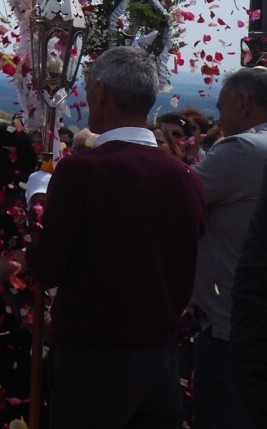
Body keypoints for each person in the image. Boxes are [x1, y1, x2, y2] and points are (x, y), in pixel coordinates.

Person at [27, 47, 205, 428]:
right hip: (160, 359)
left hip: (93, 360)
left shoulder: (82, 173)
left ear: (101, 92)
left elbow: (48, 269)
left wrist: (36, 204)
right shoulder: (187, 178)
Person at [191, 69, 267, 427]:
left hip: (231, 331)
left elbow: (175, 200)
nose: (218, 120)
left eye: (221, 108)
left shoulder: (244, 149)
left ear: (243, 101)